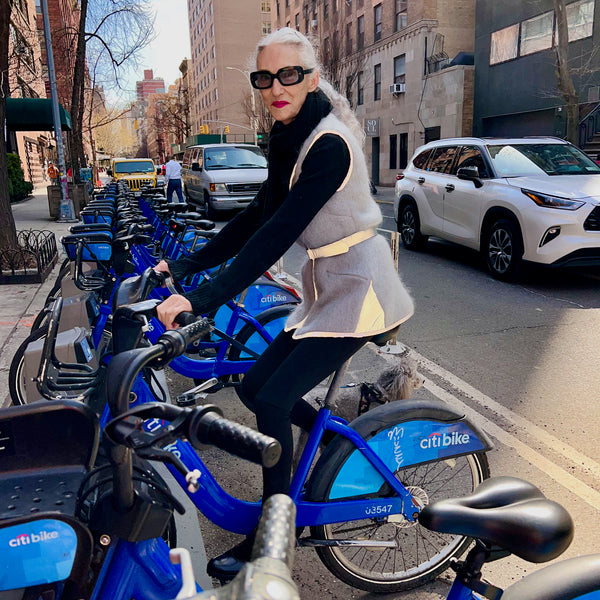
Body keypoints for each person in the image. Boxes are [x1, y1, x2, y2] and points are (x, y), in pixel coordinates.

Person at [153, 27, 414, 581]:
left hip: (361, 289)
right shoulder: (286, 134)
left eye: (289, 75)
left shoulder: (329, 144)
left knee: (271, 401)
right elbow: (255, 218)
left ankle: (276, 534)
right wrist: (186, 266)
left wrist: (197, 302)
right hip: (330, 284)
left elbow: (276, 235)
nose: (276, 86)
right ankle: (333, 428)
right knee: (253, 388)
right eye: (264, 77)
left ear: (312, 78)